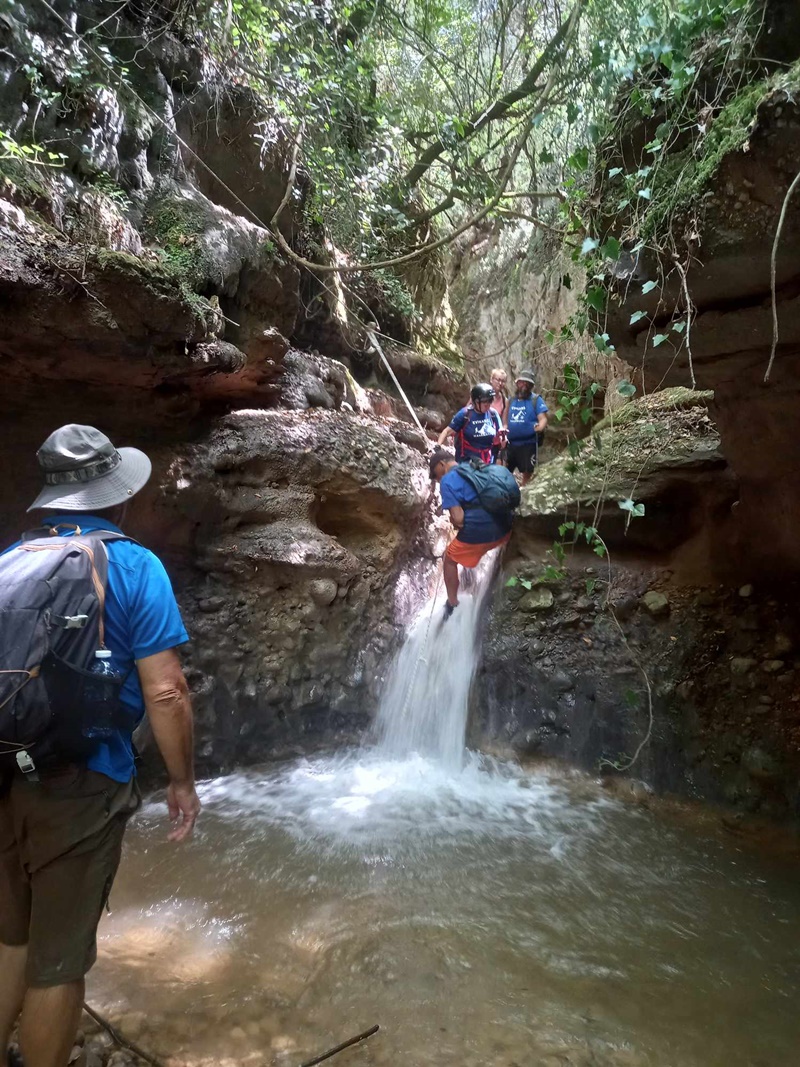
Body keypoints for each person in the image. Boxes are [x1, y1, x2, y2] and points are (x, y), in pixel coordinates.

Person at [0, 424, 200, 1067]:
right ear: (114, 498)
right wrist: (180, 781)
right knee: (57, 962)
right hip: (83, 782)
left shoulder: (7, 564)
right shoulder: (135, 565)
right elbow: (167, 691)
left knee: (9, 939)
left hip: (4, 772)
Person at [429, 448, 513, 619]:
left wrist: (455, 521)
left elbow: (458, 519)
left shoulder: (447, 480)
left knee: (450, 559)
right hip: (506, 526)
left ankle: (452, 603)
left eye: (436, 475)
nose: (438, 480)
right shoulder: (474, 467)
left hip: (484, 531)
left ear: (442, 464)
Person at [437, 383, 503, 465]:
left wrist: (501, 439)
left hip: (487, 462)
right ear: (475, 402)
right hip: (467, 463)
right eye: (484, 402)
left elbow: (500, 435)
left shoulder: (493, 414)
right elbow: (446, 431)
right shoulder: (465, 414)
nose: (487, 404)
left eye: (490, 401)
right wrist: (438, 447)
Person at [506, 369, 548, 485]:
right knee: (505, 471)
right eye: (522, 382)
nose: (524, 385)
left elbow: (543, 418)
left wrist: (538, 428)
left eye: (528, 383)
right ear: (517, 383)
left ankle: (524, 494)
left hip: (528, 444)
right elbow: (504, 417)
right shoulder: (511, 400)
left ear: (531, 386)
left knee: (527, 473)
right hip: (510, 444)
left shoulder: (536, 400)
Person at [489, 368, 509, 464]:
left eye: (503, 381)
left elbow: (504, 422)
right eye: (498, 380)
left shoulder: (505, 401)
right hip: (479, 439)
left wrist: (504, 436)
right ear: (491, 380)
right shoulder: (480, 395)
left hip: (496, 441)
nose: (500, 383)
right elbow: (467, 412)